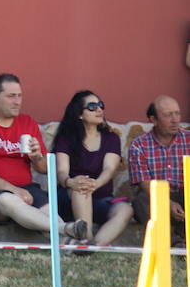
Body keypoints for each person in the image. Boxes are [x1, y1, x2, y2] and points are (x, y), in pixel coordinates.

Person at [0, 73, 87, 239]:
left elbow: (44, 169)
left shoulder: (27, 123)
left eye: (20, 96)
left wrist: (37, 157)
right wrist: (13, 190)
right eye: (11, 96)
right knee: (9, 200)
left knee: (48, 209)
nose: (18, 101)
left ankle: (68, 245)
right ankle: (65, 228)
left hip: (26, 187)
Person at [52, 91, 133, 246]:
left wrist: (95, 184)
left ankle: (94, 245)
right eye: (92, 106)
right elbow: (61, 171)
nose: (99, 110)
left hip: (100, 199)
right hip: (70, 198)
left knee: (126, 210)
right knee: (81, 188)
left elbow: (109, 169)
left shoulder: (111, 138)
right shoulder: (66, 138)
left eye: (100, 105)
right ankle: (86, 237)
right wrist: (72, 182)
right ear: (79, 114)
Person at [128, 95, 187, 245]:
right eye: (168, 115)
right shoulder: (139, 145)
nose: (175, 120)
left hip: (185, 194)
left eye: (177, 113)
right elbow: (144, 183)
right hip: (155, 196)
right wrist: (168, 203)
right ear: (153, 120)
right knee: (140, 200)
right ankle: (174, 244)